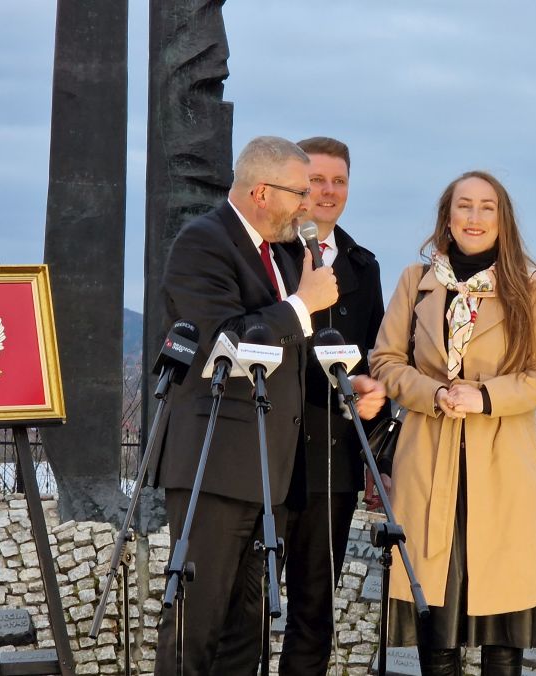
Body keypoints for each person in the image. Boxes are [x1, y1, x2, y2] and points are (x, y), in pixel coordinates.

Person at [153, 135, 372, 673]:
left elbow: (288, 357)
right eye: (299, 192)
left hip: (270, 473)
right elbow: (223, 340)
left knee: (245, 632)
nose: (307, 204)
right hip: (215, 467)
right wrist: (302, 305)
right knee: (196, 625)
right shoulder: (202, 243)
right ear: (261, 192)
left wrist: (345, 384)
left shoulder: (279, 253)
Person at [369, 170, 536, 676]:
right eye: (464, 205)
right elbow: (385, 361)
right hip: (427, 464)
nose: (474, 217)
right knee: (436, 619)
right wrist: (433, 393)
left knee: (504, 624)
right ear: (447, 216)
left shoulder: (530, 286)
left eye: (487, 207)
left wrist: (484, 396)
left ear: (502, 220)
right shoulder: (416, 282)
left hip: (502, 470)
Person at [274, 136, 388, 676]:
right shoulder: (268, 256)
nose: (328, 191)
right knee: (246, 607)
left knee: (314, 612)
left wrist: (375, 391)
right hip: (268, 454)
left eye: (338, 181)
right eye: (316, 179)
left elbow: (379, 355)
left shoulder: (364, 267)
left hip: (332, 463)